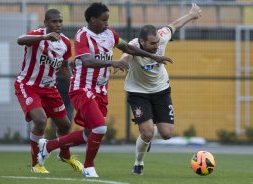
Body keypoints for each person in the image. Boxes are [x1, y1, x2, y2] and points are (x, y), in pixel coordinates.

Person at [37, 2, 173, 178]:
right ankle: (89, 166)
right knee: (100, 128)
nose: (107, 23)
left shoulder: (111, 34)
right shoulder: (82, 35)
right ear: (93, 20)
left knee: (88, 134)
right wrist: (113, 62)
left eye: (108, 19)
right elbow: (86, 61)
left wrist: (154, 56)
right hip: (82, 88)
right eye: (103, 20)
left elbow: (129, 48)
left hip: (100, 90)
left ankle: (48, 146)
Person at [117, 3, 202, 175]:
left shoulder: (162, 37)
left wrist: (191, 15)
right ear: (142, 42)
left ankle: (146, 132)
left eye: (157, 42)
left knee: (167, 133)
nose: (157, 46)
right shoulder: (133, 45)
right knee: (147, 133)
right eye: (152, 43)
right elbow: (125, 54)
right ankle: (138, 163)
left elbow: (175, 24)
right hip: (138, 92)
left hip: (161, 90)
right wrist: (122, 62)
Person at [14, 9, 83, 174]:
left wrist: (75, 85)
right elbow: (20, 40)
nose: (58, 25)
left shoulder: (65, 42)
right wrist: (44, 37)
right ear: (46, 23)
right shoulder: (38, 35)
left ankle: (65, 155)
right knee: (40, 121)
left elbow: (65, 66)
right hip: (28, 85)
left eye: (60, 21)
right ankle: (36, 164)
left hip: (49, 89)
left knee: (65, 125)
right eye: (54, 22)